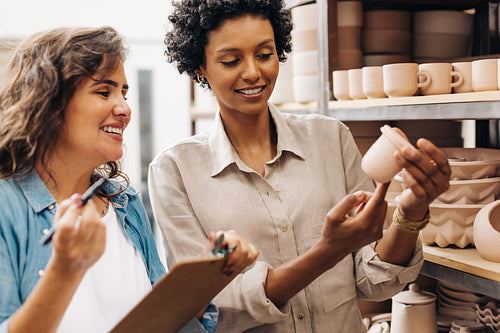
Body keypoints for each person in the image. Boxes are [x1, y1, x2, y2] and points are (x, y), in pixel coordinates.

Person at [148, 0, 451, 332]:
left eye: (264, 55)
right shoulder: (174, 170)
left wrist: (410, 214)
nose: (253, 72)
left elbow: (375, 280)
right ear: (199, 68)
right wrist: (328, 251)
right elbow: (209, 310)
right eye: (232, 60)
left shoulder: (330, 138)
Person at [0, 26, 258, 333]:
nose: (124, 109)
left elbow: (160, 321)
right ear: (49, 103)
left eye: (124, 93)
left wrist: (209, 274)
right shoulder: (7, 207)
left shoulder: (125, 202)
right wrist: (65, 270)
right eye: (103, 92)